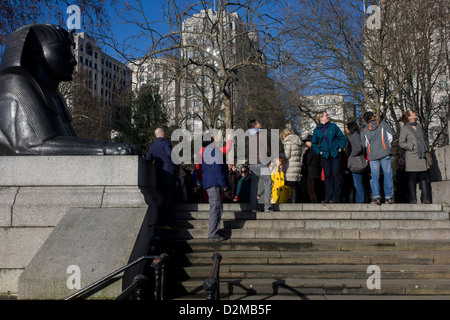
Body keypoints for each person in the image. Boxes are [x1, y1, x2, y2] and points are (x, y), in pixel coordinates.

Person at [0, 23, 137, 155]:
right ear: (36, 52)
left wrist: (106, 147)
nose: (73, 60)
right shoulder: (14, 84)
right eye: (62, 52)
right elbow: (33, 145)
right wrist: (105, 148)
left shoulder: (57, 97)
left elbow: (71, 141)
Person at [360, 111, 395, 205]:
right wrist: (387, 146)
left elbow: (363, 144)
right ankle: (388, 197)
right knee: (388, 174)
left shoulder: (364, 130)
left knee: (374, 176)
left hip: (372, 155)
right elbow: (391, 135)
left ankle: (376, 197)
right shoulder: (382, 124)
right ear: (373, 117)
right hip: (385, 152)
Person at [311, 111, 347, 203]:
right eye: (326, 115)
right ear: (321, 118)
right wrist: (320, 152)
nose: (328, 116)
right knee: (326, 176)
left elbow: (342, 138)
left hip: (335, 154)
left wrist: (340, 148)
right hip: (325, 155)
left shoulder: (333, 126)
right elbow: (314, 144)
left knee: (336, 174)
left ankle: (336, 197)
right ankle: (328, 197)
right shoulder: (316, 130)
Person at [398, 110, 432, 204]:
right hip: (412, 156)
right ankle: (413, 198)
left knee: (424, 176)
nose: (415, 114)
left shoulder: (418, 126)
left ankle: (425, 198)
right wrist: (411, 147)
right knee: (412, 177)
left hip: (421, 156)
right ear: (409, 117)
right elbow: (401, 143)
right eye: (412, 113)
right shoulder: (405, 128)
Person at [201, 134, 229, 241]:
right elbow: (217, 168)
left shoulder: (208, 150)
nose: (217, 137)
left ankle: (214, 231)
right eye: (214, 136)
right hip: (214, 182)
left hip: (211, 182)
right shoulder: (213, 150)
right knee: (216, 208)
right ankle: (213, 233)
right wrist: (223, 183)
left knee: (216, 207)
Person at [146, 128, 177, 217]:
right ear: (162, 133)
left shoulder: (152, 146)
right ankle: (167, 213)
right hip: (169, 171)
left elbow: (149, 158)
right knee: (170, 192)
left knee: (162, 193)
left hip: (159, 172)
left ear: (156, 135)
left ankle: (162, 214)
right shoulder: (166, 143)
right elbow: (169, 154)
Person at [247, 119, 273, 212]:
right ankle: (267, 206)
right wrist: (270, 159)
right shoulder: (261, 134)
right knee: (268, 183)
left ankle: (254, 207)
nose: (260, 123)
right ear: (255, 126)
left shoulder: (248, 136)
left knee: (254, 186)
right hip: (262, 163)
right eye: (258, 123)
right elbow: (268, 148)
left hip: (253, 164)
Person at [346, 122, 366, 203]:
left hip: (356, 162)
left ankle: (360, 200)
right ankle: (359, 200)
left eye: (347, 127)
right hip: (356, 161)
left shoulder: (354, 136)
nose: (346, 129)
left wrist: (351, 155)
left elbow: (358, 148)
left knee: (357, 183)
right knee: (357, 183)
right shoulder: (355, 135)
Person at [280, 129, 302, 202]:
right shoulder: (297, 141)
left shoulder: (288, 142)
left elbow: (287, 155)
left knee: (290, 186)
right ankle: (295, 202)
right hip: (297, 165)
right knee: (294, 187)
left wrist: (279, 155)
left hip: (290, 166)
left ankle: (292, 204)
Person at [301, 135, 322, 203]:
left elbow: (307, 161)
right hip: (316, 172)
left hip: (310, 173)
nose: (306, 143)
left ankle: (313, 203)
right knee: (316, 189)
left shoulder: (310, 150)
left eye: (307, 142)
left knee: (311, 189)